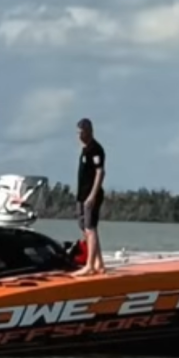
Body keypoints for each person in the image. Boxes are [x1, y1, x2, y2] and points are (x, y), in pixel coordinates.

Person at [74, 117, 106, 276]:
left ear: (90, 131)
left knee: (90, 228)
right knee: (85, 229)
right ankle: (99, 262)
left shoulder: (95, 149)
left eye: (82, 133)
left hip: (90, 195)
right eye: (78, 133)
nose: (79, 136)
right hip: (81, 195)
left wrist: (92, 196)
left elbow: (100, 172)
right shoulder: (85, 149)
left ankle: (90, 265)